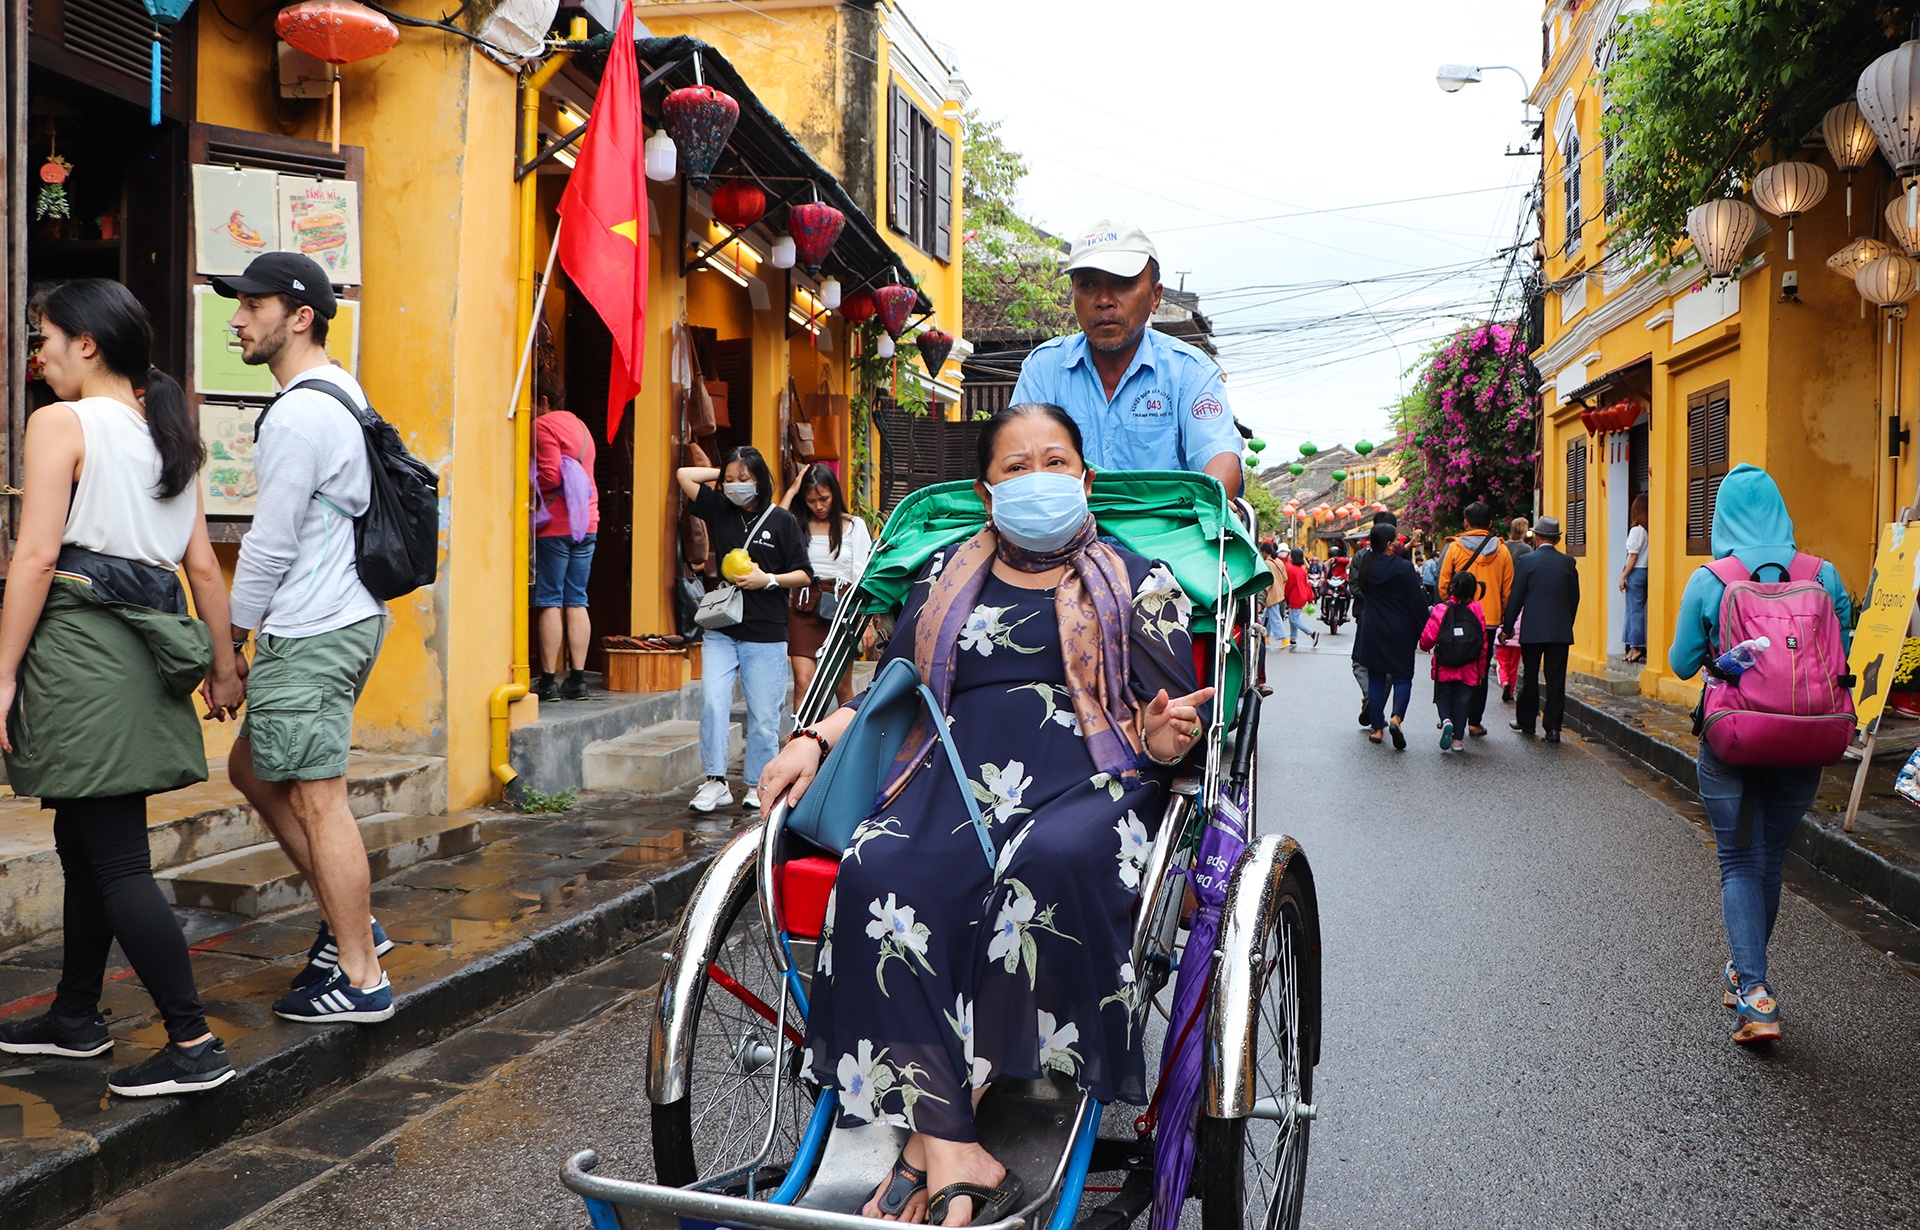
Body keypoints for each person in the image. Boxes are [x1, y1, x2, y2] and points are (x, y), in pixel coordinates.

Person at [759, 403, 1211, 1227]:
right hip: (952, 775)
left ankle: (932, 1137)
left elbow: (1169, 718)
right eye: (1016, 467)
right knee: (881, 869)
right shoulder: (942, 576)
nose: (1038, 479)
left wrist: (1159, 732)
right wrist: (813, 741)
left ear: (1086, 478)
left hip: (1091, 777)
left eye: (1055, 462)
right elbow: (891, 692)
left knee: (1046, 867)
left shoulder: (1141, 581)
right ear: (986, 489)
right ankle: (953, 1141)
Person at [0, 280, 244, 1095]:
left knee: (114, 858)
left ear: (87, 343)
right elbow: (202, 566)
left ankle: (193, 1042)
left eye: (46, 338)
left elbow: (34, 558)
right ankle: (74, 1017)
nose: (41, 355)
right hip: (145, 652)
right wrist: (222, 665)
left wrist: (1, 674)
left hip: (85, 650)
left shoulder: (60, 423)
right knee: (85, 842)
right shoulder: (164, 433)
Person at [212, 253, 398, 1025]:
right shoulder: (339, 391)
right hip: (346, 616)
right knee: (253, 770)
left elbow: (269, 543)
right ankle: (355, 924)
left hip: (313, 628)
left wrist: (230, 645)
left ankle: (360, 976)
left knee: (320, 800)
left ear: (299, 317)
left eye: (251, 305)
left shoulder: (297, 413)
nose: (236, 319)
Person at [1669, 465, 1852, 1046]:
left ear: (1722, 515)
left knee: (1738, 862)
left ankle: (1755, 992)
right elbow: (1839, 653)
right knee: (1769, 860)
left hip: (1735, 739)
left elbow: (1679, 662)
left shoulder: (1711, 578)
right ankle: (1748, 979)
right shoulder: (1823, 575)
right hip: (1805, 739)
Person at [1010, 220, 1241, 496]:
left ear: (1155, 297)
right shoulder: (1042, 370)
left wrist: (1203, 507)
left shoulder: (1190, 372)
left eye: (1122, 283)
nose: (1104, 300)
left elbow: (1221, 464)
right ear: (1073, 295)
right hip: (1060, 534)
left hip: (1161, 535)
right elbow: (1014, 463)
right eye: (1088, 284)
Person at [677, 446, 813, 813]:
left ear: (760, 480)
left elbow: (804, 574)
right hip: (722, 627)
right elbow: (684, 476)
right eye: (731, 481)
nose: (736, 487)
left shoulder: (781, 521)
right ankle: (716, 781)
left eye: (744, 479)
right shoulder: (720, 509)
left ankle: (759, 782)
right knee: (713, 701)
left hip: (766, 632)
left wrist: (765, 579)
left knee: (764, 716)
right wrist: (723, 473)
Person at [531, 378, 599, 701]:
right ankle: (578, 680)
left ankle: (547, 681)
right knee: (577, 598)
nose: (530, 411)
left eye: (533, 404)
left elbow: (550, 475)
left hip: (557, 523)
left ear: (544, 400)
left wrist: (528, 488)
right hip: (587, 521)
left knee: (549, 599)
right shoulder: (581, 427)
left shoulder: (544, 426)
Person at [782, 463, 872, 706]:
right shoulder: (796, 525)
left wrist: (869, 619)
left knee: (842, 686)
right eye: (811, 500)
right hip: (803, 605)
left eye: (824, 498)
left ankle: (849, 743)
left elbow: (864, 573)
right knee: (803, 682)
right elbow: (775, 524)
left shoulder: (854, 526)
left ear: (835, 493)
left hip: (842, 607)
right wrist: (791, 491)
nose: (819, 506)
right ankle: (800, 741)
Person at [1437, 502, 1514, 739]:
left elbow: (1443, 585)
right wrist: (1504, 619)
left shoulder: (1454, 548)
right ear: (1490, 523)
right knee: (1479, 671)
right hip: (1487, 622)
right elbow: (1507, 590)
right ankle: (1474, 722)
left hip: (1457, 616)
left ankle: (1449, 715)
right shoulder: (1502, 551)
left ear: (1466, 523)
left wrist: (1450, 606)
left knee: (1453, 664)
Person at [1501, 515, 1580, 743]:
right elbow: (1574, 598)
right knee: (1556, 679)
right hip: (1559, 631)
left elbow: (1516, 598)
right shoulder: (1568, 563)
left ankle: (1527, 721)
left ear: (1536, 537)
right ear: (1556, 539)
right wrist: (1567, 622)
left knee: (1530, 675)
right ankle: (1553, 728)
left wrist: (1507, 628)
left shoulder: (1527, 561)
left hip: (1533, 630)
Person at [1352, 522, 1425, 749]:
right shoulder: (1404, 568)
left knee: (1375, 678)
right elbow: (1418, 603)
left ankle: (1377, 730)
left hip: (1372, 627)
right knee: (1402, 676)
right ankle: (1396, 718)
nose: (1399, 542)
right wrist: (1426, 630)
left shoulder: (1367, 563)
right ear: (1388, 543)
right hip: (1400, 628)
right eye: (1396, 539)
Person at [1420, 569, 1487, 753]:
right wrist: (1481, 672)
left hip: (1445, 666)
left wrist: (1424, 646)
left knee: (1443, 697)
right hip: (1469, 668)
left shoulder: (1441, 610)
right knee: (1462, 703)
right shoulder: (1476, 609)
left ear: (1452, 588)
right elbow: (1483, 644)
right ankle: (1457, 740)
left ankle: (1446, 720)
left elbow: (1427, 639)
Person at [1620, 493, 1649, 664]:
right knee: (1633, 611)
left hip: (1636, 572)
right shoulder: (1645, 531)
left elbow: (1633, 556)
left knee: (1634, 611)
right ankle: (1632, 645)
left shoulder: (1636, 531)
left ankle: (1637, 646)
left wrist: (1623, 576)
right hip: (1643, 571)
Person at [1284, 547, 1318, 650]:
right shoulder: (1302, 570)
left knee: (1294, 619)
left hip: (1295, 596)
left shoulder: (1291, 570)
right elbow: (1306, 585)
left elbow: (1289, 585)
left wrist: (1285, 596)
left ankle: (1310, 632)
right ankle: (1293, 638)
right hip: (1302, 595)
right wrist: (1310, 598)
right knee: (1294, 617)